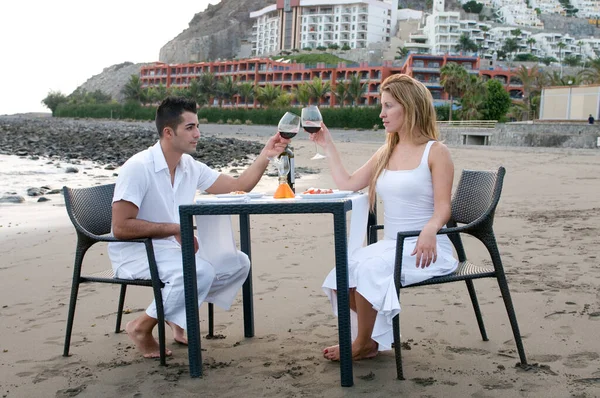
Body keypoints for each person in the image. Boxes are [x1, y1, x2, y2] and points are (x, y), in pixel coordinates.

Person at [108, 96, 290, 359]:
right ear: (168, 132)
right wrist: (174, 228)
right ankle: (140, 327)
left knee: (237, 262)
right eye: (190, 128)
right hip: (138, 252)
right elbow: (120, 227)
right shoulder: (138, 167)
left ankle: (175, 313)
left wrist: (266, 154)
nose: (198, 134)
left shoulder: (188, 165)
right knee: (200, 271)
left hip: (173, 250)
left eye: (197, 126)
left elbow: (236, 186)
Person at [309, 74, 459, 361]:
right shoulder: (386, 151)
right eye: (382, 106)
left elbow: (443, 207)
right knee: (345, 270)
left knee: (369, 269)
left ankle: (363, 342)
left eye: (388, 106)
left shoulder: (436, 152)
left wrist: (430, 230)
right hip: (392, 243)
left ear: (410, 107)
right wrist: (328, 146)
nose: (381, 113)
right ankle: (373, 340)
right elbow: (349, 183)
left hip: (425, 247)